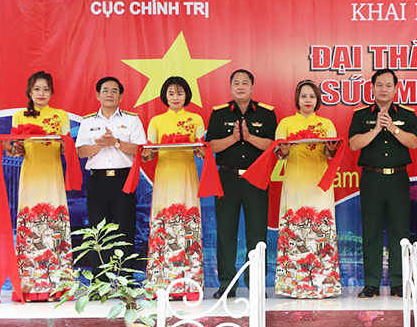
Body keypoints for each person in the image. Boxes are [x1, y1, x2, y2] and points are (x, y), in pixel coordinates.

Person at [348, 69, 417, 298]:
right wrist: (377, 129)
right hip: (372, 178)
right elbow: (353, 144)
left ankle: (399, 283)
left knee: (400, 232)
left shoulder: (407, 115)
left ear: (396, 89)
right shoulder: (361, 115)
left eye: (389, 85)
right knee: (371, 231)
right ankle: (372, 283)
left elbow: (414, 143)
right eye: (379, 85)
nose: (384, 89)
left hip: (398, 178)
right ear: (372, 88)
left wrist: (393, 128)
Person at [205, 69, 277, 298]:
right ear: (230, 88)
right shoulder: (219, 114)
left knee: (257, 234)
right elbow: (211, 148)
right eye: (236, 83)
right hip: (227, 178)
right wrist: (234, 138)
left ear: (253, 87)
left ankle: (256, 284)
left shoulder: (266, 114)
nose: (241, 87)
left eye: (245, 83)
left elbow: (273, 145)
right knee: (226, 232)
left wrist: (249, 137)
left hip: (256, 179)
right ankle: (227, 284)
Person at [2, 71, 72, 301]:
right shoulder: (19, 116)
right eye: (37, 89)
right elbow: (19, 150)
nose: (41, 94)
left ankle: (57, 288)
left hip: (53, 177)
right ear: (29, 92)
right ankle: (30, 289)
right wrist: (9, 147)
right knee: (31, 231)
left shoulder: (60, 116)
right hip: (30, 178)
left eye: (46, 89)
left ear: (52, 92)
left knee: (54, 230)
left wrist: (63, 144)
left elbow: (66, 149)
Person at [273, 80, 341, 298]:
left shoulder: (326, 124)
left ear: (317, 99)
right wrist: (283, 149)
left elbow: (331, 155)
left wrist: (331, 150)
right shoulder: (285, 123)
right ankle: (291, 285)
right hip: (294, 183)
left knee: (320, 232)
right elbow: (279, 154)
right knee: (296, 232)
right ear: (297, 99)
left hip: (320, 185)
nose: (308, 100)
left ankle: (325, 285)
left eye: (312, 96)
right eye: (304, 96)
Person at [76, 77, 146, 279]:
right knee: (98, 231)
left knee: (125, 229)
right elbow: (81, 151)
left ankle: (125, 280)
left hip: (123, 179)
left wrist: (115, 142)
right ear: (98, 95)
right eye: (105, 90)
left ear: (120, 96)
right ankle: (100, 280)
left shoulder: (131, 120)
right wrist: (100, 144)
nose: (109, 94)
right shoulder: (88, 121)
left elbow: (139, 149)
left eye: (114, 91)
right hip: (97, 181)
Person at [142, 77, 206, 299]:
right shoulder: (156, 121)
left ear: (186, 95)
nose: (176, 97)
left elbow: (201, 150)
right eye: (171, 93)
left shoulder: (195, 119)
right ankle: (160, 286)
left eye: (180, 93)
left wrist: (201, 149)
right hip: (165, 180)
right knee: (163, 229)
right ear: (165, 96)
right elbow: (149, 153)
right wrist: (146, 153)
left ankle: (190, 287)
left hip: (187, 178)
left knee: (188, 230)